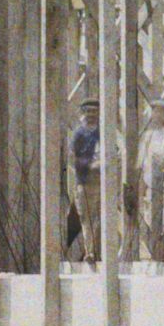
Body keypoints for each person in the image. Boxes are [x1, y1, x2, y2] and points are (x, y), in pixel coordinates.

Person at [67, 99, 103, 262]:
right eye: (88, 112)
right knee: (86, 218)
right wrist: (88, 165)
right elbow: (71, 158)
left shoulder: (103, 132)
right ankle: (90, 252)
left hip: (102, 181)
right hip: (84, 180)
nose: (91, 115)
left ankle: (98, 251)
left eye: (94, 112)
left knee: (100, 217)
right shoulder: (79, 133)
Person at [138, 101, 164, 262]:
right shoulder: (147, 137)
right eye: (154, 112)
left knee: (163, 222)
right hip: (150, 186)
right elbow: (141, 164)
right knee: (148, 221)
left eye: (159, 113)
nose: (156, 116)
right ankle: (153, 254)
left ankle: (160, 255)